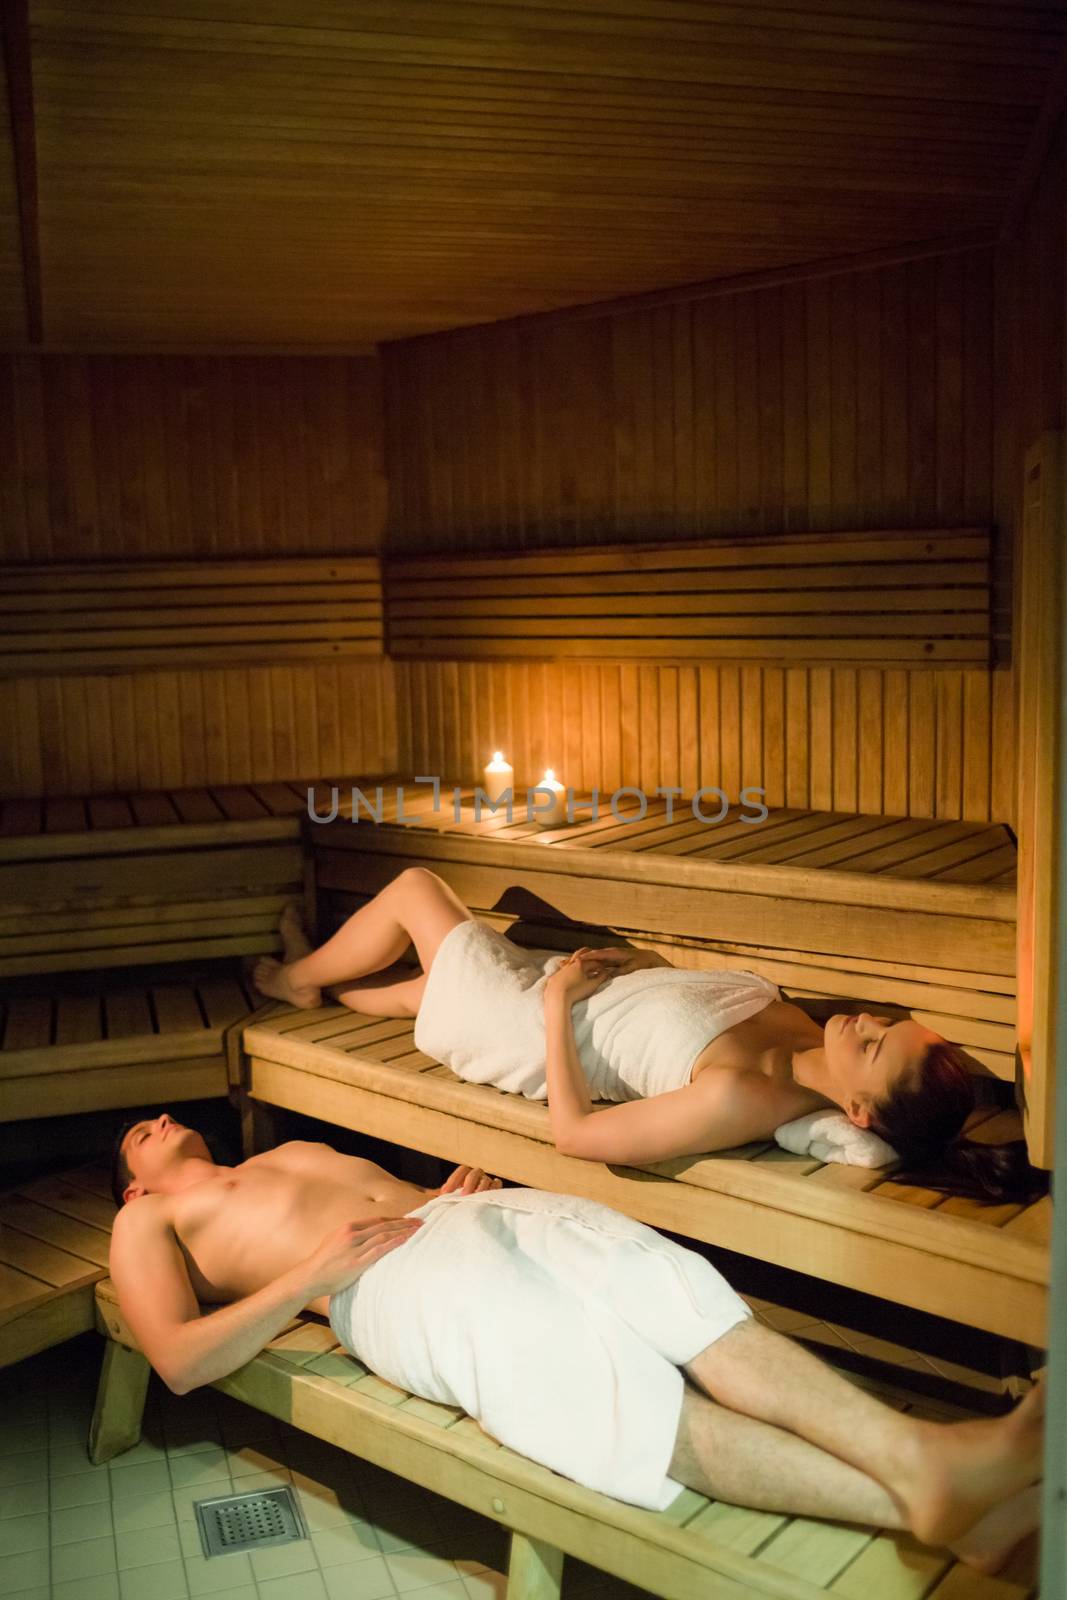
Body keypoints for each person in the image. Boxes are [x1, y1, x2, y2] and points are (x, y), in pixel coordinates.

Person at [107, 1112, 1042, 1576]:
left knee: (667, 1292)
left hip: (460, 1217)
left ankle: (923, 1463)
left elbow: (378, 1203)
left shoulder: (274, 1158)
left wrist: (439, 1194)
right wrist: (311, 1278)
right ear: (136, 1191)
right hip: (378, 1287)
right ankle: (914, 1485)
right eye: (132, 1142)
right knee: (600, 1388)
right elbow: (180, 1362)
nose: (148, 1125)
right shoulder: (150, 1224)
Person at [251, 871, 1035, 1197]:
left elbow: (573, 1133)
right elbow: (673, 1023)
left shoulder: (742, 1096)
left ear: (858, 1113)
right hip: (564, 993)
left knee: (419, 894)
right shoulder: (802, 1031)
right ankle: (320, 983)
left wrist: (557, 1003)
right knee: (419, 997)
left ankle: (292, 980)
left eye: (871, 1045)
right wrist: (644, 966)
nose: (867, 1022)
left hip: (528, 1029)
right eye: (886, 1024)